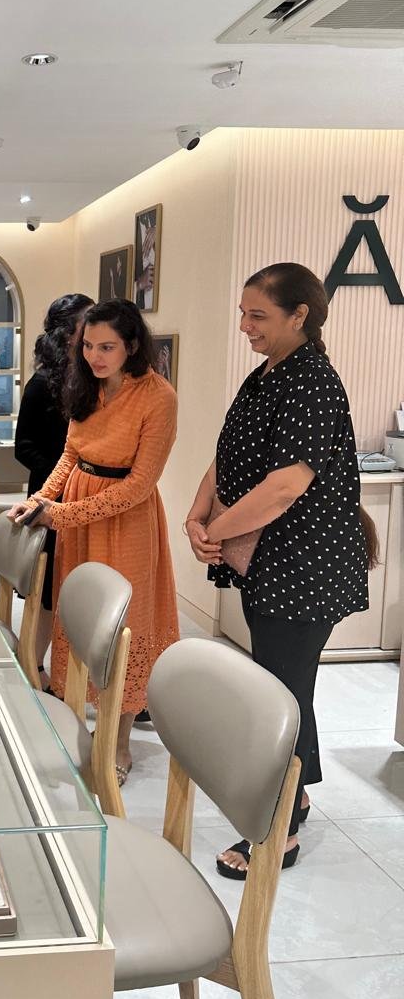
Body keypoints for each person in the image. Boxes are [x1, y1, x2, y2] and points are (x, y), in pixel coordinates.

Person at [185, 263, 375, 879]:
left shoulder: (313, 382)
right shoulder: (267, 373)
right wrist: (197, 514)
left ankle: (278, 825)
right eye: (243, 314)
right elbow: (228, 452)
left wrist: (216, 531)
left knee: (281, 694)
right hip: (271, 561)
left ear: (300, 315)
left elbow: (285, 486)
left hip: (305, 564)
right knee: (286, 684)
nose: (245, 326)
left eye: (258, 315)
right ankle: (299, 795)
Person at [8, 299, 179, 783]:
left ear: (132, 346)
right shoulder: (85, 384)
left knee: (124, 628)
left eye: (107, 347)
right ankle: (76, 729)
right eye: (88, 346)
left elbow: (139, 486)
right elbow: (69, 454)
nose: (94, 356)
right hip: (80, 520)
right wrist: (41, 499)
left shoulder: (158, 396)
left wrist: (63, 514)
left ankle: (118, 742)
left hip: (127, 522)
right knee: (79, 620)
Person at [14, 293, 94, 683]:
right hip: (52, 497)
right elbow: (23, 447)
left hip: (83, 501)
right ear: (68, 333)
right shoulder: (42, 383)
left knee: (79, 592)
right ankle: (36, 667)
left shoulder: (91, 380)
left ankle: (70, 676)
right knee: (47, 592)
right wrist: (63, 479)